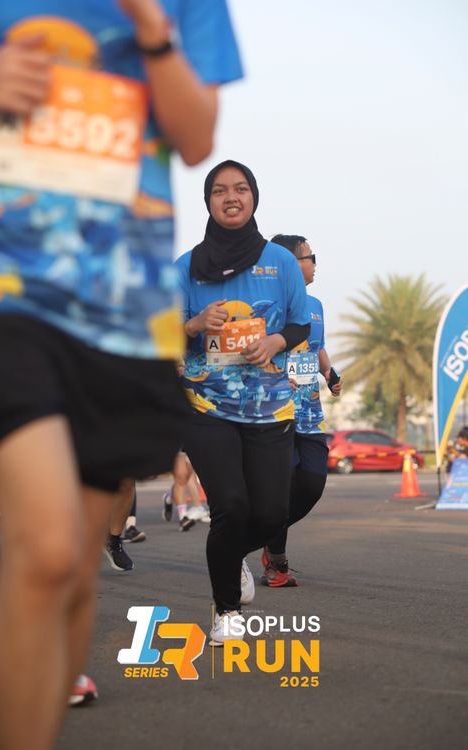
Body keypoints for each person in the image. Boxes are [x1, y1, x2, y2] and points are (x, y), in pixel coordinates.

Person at [0, 2, 242, 748]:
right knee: (50, 549)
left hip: (122, 312)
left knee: (71, 575)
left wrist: (152, 30)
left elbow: (196, 139)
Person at [176, 161, 311, 645]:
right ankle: (227, 611)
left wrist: (275, 341)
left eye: (240, 189)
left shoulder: (280, 262)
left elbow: (300, 323)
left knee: (272, 514)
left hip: (270, 407)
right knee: (231, 505)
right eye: (219, 190)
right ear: (208, 201)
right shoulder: (187, 267)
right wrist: (194, 325)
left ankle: (231, 555)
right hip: (207, 407)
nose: (230, 197)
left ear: (253, 197)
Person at [261, 235, 342, 587]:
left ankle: (260, 534)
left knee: (312, 484)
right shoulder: (265, 306)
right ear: (291, 265)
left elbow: (317, 345)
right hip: (273, 413)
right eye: (310, 257)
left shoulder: (316, 305)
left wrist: (329, 373)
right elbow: (249, 352)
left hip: (310, 413)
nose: (315, 264)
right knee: (279, 489)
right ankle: (276, 563)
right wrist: (274, 377)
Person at [162, 451, 210, 530]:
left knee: (188, 474)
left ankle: (170, 497)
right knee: (182, 474)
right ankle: (183, 517)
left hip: (190, 445)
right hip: (175, 446)